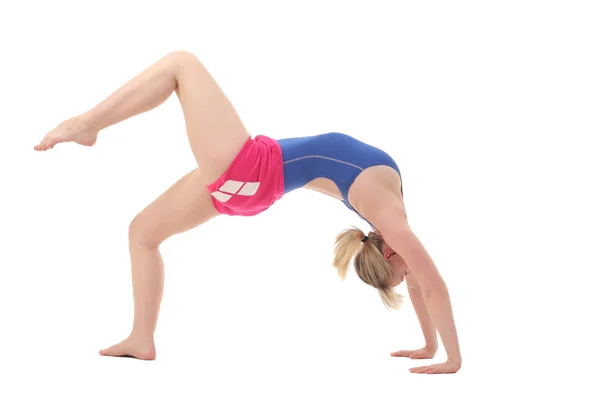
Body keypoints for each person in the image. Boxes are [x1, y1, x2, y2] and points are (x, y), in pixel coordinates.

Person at [34, 51, 461, 374]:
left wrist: (452, 360)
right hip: (250, 184)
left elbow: (432, 286)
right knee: (142, 233)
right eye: (406, 277)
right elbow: (425, 286)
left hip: (253, 172)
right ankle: (141, 338)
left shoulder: (387, 214)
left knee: (181, 64)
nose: (414, 276)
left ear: (390, 254)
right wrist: (429, 346)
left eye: (405, 276)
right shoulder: (384, 212)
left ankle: (87, 124)